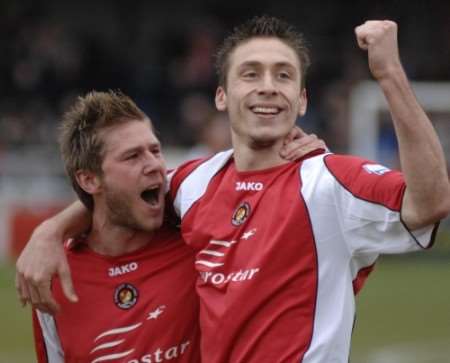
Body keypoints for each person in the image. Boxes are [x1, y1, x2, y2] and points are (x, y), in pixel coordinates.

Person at [17, 16, 450, 363]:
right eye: (251, 73)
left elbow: (429, 202)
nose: (267, 85)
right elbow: (121, 194)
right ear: (222, 96)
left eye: (283, 75)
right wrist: (50, 231)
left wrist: (389, 74)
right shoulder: (193, 185)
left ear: (300, 102)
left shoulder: (329, 182)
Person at [31, 90, 201, 362]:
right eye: (132, 156)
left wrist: (50, 228)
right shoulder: (54, 278)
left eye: (155, 150)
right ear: (89, 180)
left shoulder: (198, 241)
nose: (154, 165)